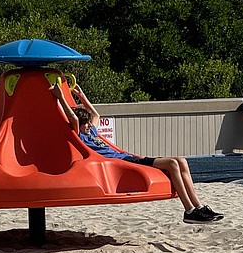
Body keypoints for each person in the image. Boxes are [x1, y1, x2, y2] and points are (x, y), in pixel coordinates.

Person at [51, 80, 224, 224]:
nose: (89, 125)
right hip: (123, 162)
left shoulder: (92, 132)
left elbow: (96, 114)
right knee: (172, 164)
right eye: (86, 124)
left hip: (128, 157)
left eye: (89, 123)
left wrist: (81, 96)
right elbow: (73, 118)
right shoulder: (80, 136)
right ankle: (189, 210)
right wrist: (60, 98)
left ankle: (199, 207)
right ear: (79, 126)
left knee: (181, 160)